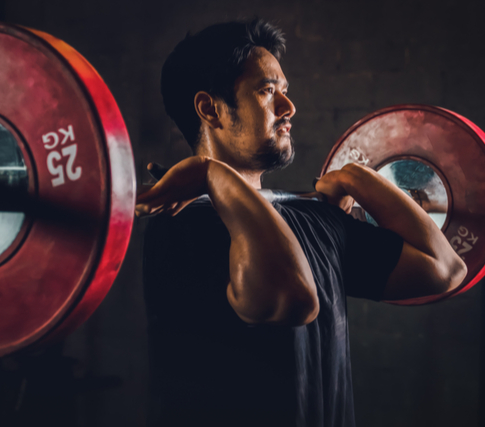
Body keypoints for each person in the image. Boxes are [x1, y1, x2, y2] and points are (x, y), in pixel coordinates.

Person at [135, 19, 467, 427]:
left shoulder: (312, 218)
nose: (288, 107)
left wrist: (356, 177)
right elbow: (292, 300)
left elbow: (445, 270)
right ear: (210, 109)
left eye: (285, 92)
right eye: (267, 91)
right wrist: (211, 175)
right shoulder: (185, 225)